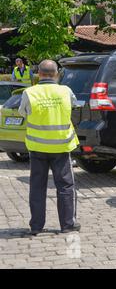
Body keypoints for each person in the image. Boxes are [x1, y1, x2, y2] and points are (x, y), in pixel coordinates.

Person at [18, 60, 80, 236]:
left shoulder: (29, 93)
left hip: (37, 147)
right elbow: (75, 105)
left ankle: (36, 226)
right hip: (61, 146)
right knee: (65, 186)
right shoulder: (65, 91)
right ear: (56, 74)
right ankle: (67, 224)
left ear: (39, 74)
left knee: (37, 186)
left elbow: (23, 112)